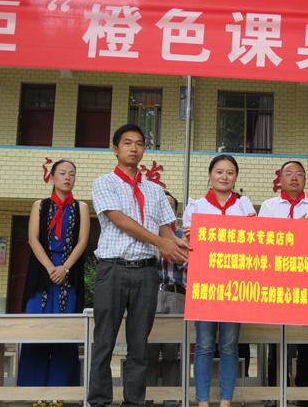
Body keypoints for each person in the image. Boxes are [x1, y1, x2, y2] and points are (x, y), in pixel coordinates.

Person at [88, 124, 188, 407]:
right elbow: (119, 219)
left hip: (146, 272)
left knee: (139, 345)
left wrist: (182, 247)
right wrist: (161, 242)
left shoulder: (155, 190)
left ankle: (134, 402)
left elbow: (166, 231)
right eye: (127, 142)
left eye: (139, 143)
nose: (134, 148)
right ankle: (99, 401)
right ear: (115, 148)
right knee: (104, 341)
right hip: (112, 269)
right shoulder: (104, 182)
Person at [183, 154, 256, 407]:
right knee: (203, 345)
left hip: (235, 285)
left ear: (236, 177)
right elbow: (188, 243)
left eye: (230, 172)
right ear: (210, 175)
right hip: (205, 284)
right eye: (219, 172)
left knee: (229, 345)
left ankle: (226, 401)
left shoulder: (244, 205)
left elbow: (254, 240)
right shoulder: (196, 206)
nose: (224, 177)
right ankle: (202, 401)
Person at [17, 160, 90, 399]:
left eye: (72, 174)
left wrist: (64, 268)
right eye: (62, 173)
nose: (68, 177)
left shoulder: (81, 207)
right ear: (51, 177)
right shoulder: (39, 205)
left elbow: (83, 242)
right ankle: (33, 393)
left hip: (68, 275)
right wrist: (51, 267)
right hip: (42, 274)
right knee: (35, 330)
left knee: (65, 333)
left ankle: (60, 393)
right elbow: (32, 239)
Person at [259, 160, 308, 407]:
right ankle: (275, 393)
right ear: (280, 179)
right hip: (276, 285)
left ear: (305, 179)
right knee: (276, 343)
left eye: (299, 174)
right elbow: (263, 243)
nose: (294, 177)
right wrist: (295, 231)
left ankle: (306, 396)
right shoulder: (268, 207)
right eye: (289, 173)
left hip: (307, 285)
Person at [146, 191, 186, 396]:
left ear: (175, 211)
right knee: (149, 348)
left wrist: (174, 250)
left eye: (170, 205)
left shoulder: (182, 235)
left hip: (175, 293)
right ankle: (149, 396)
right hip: (151, 293)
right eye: (163, 204)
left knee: (172, 350)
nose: (167, 208)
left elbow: (187, 263)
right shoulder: (148, 233)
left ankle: (171, 397)